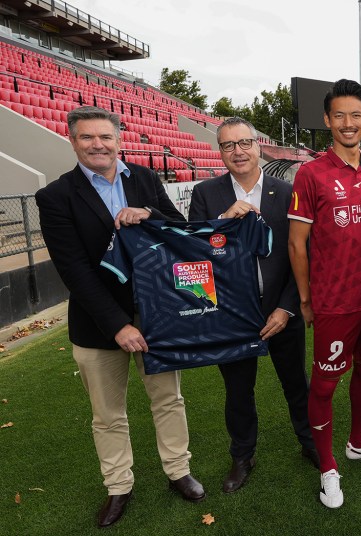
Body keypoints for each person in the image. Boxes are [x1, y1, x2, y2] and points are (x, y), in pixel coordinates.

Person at [35, 106, 204, 528]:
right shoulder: (55, 196)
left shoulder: (145, 179)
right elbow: (74, 270)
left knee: (169, 399)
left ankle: (178, 471)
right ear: (73, 141)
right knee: (108, 414)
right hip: (98, 325)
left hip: (157, 316)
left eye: (105, 137)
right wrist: (118, 324)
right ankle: (118, 486)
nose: (98, 145)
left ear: (119, 140)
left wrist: (149, 214)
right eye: (88, 138)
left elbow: (179, 229)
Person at [188, 117, 318, 494]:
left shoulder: (286, 190)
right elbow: (195, 257)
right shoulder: (206, 194)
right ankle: (242, 456)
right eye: (228, 145)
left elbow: (302, 254)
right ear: (220, 151)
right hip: (232, 314)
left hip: (281, 308)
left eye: (244, 142)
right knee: (238, 392)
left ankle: (311, 443)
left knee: (296, 383)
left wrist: (287, 307)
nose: (238, 151)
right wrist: (224, 220)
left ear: (259, 146)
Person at [288, 79, 361, 509]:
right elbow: (297, 244)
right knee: (325, 384)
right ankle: (328, 466)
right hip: (334, 301)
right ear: (327, 120)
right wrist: (305, 299)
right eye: (340, 116)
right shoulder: (311, 173)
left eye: (356, 115)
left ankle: (357, 441)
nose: (348, 123)